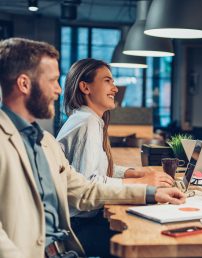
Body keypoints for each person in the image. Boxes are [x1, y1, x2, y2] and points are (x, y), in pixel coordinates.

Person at [0, 37, 185, 258]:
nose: (59, 90)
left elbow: (85, 189)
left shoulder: (44, 141)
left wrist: (152, 193)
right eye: (52, 81)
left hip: (62, 248)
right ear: (24, 84)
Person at [55, 58, 174, 257]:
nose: (115, 88)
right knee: (151, 236)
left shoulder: (85, 118)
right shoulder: (87, 123)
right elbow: (89, 183)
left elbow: (93, 167)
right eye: (108, 81)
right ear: (85, 87)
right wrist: (142, 183)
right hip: (79, 226)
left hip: (79, 221)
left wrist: (132, 172)